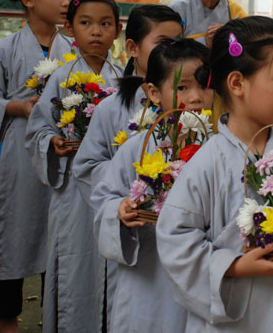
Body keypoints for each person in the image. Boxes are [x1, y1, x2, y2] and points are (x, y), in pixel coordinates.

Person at [155, 16, 273, 332]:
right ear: (237, 83)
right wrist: (233, 266)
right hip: (234, 316)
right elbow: (174, 239)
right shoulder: (208, 161)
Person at [71, 4, 183, 329]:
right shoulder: (112, 107)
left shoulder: (193, 108)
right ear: (132, 48)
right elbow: (87, 166)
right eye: (162, 43)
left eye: (178, 43)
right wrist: (133, 189)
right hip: (137, 233)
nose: (171, 51)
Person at [91, 38, 212, 332]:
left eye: (204, 85)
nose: (196, 97)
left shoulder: (219, 147)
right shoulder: (138, 149)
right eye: (182, 87)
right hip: (150, 273)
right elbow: (103, 200)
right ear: (154, 93)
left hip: (202, 270)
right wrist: (119, 209)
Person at [25, 0, 123, 332]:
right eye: (86, 23)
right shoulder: (61, 78)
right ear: (70, 29)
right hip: (71, 192)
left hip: (111, 186)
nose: (96, 31)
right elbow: (37, 129)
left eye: (105, 24)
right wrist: (52, 141)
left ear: (118, 31)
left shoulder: (124, 80)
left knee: (112, 262)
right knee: (74, 261)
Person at [0, 0, 73, 333]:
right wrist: (19, 107)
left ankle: (56, 321)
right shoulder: (5, 50)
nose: (65, 1)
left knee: (59, 240)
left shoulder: (72, 50)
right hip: (20, 159)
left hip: (62, 156)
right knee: (14, 235)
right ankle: (7, 322)